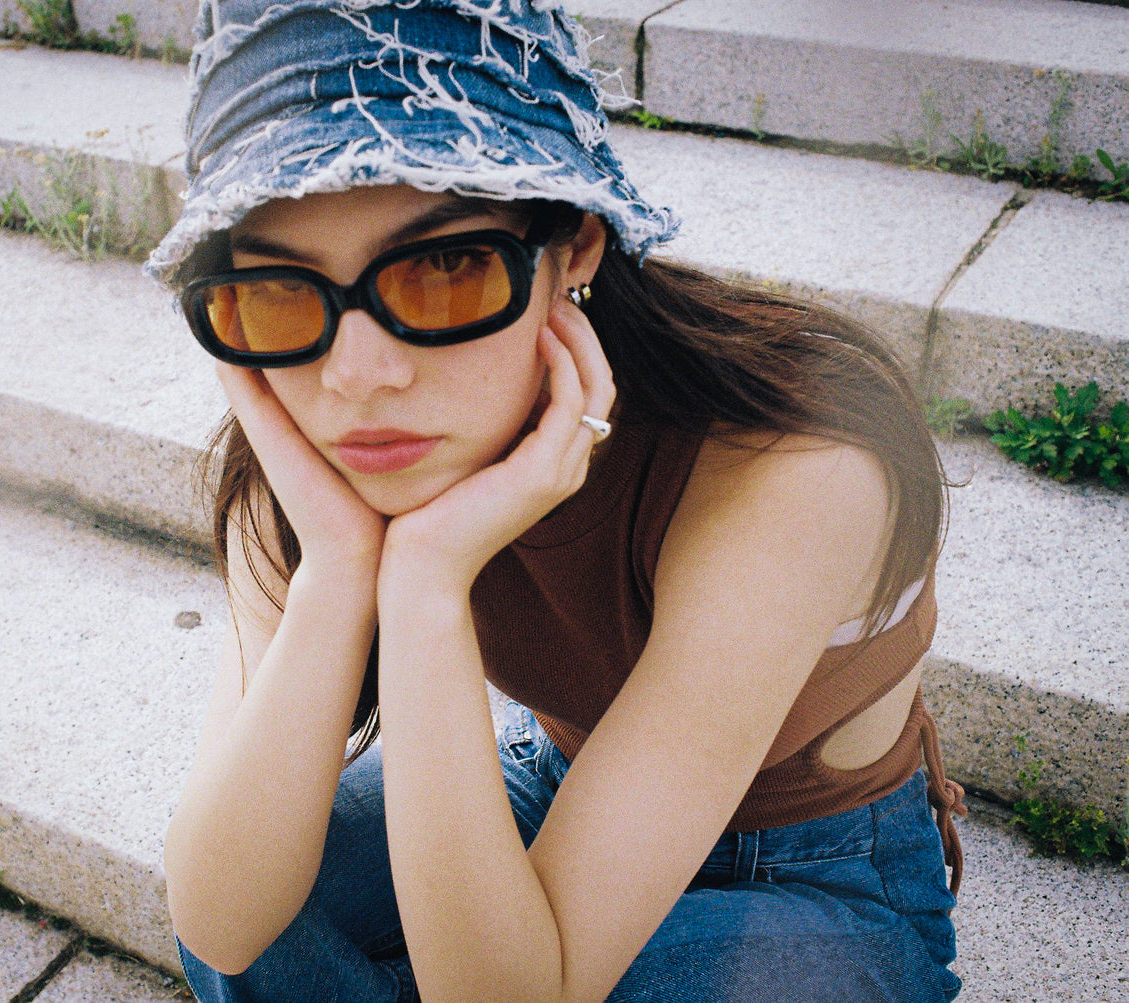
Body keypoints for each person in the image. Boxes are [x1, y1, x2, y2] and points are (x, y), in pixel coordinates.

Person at [145, 1, 966, 1000]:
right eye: (277, 289)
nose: (356, 377)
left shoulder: (789, 464)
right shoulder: (298, 473)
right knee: (243, 901)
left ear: (572, 249)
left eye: (443, 269)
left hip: (809, 869)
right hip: (551, 780)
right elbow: (223, 924)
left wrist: (430, 579)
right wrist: (349, 571)